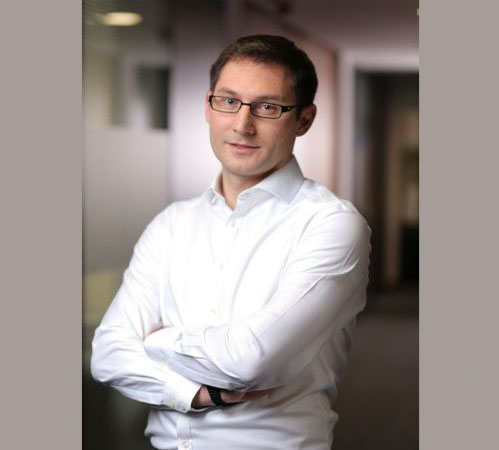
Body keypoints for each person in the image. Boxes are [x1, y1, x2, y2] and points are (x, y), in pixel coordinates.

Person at [91, 34, 371, 450]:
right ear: (208, 106)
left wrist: (156, 342)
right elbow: (108, 354)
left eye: (267, 107)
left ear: (304, 120)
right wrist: (197, 393)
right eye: (228, 101)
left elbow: (249, 360)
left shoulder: (331, 225)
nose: (242, 124)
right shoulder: (172, 224)